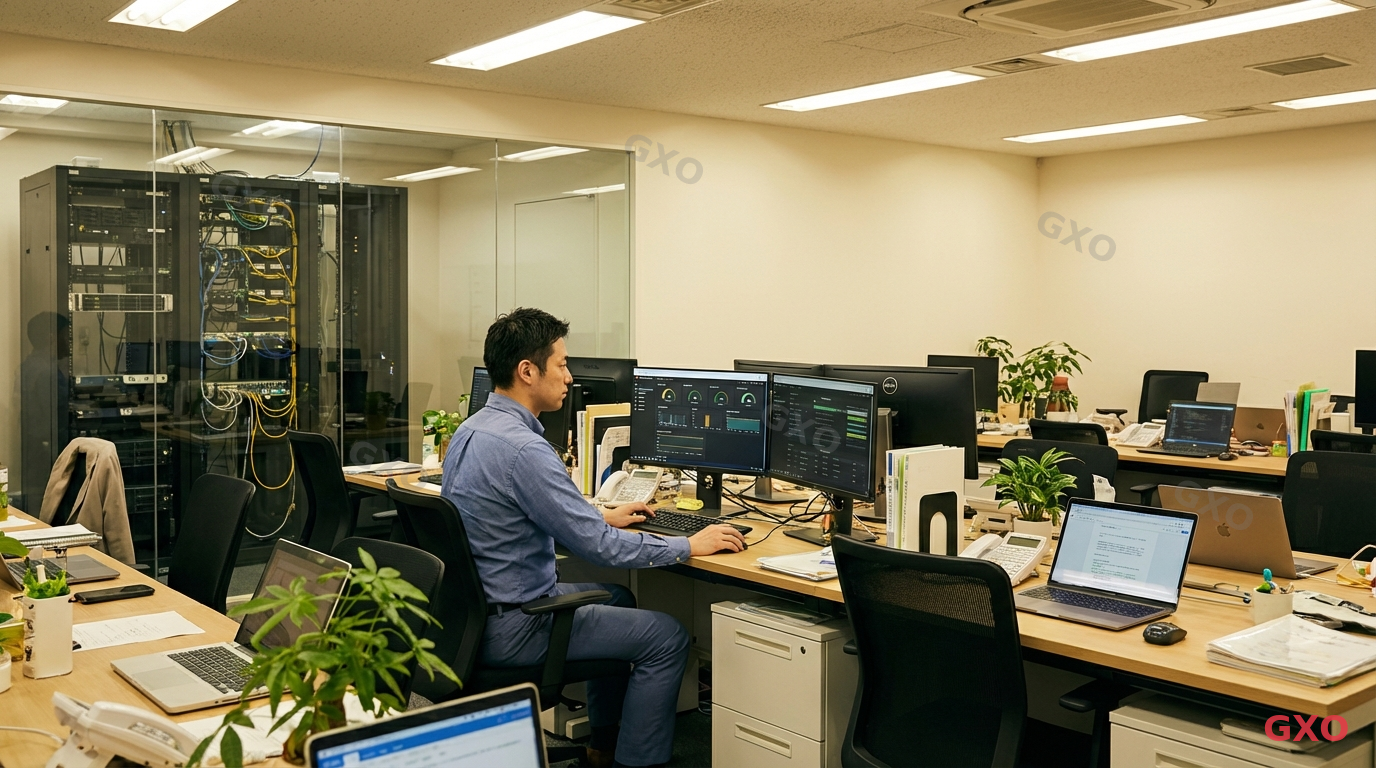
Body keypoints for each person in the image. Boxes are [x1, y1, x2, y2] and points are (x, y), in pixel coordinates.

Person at [442, 308, 745, 768]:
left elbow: (517, 508)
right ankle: (636, 762)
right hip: (517, 624)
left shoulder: (473, 430)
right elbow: (598, 547)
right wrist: (690, 544)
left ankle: (602, 744)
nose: (569, 377)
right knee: (668, 637)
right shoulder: (524, 449)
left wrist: (600, 512)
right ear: (528, 371)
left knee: (619, 596)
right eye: (561, 364)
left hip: (474, 617)